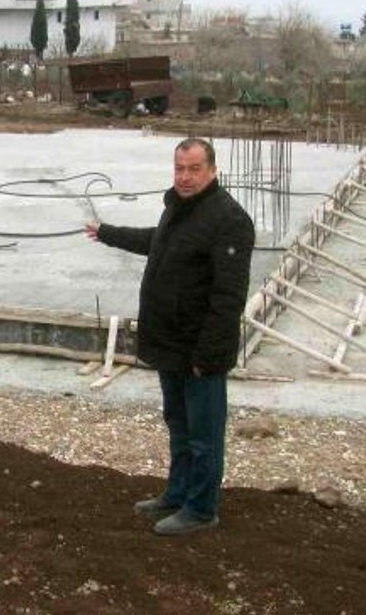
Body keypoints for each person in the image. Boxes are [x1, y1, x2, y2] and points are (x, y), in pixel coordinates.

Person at [86, 137, 254, 536]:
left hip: (199, 352)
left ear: (212, 170)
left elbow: (228, 298)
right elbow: (157, 242)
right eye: (179, 168)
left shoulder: (228, 220)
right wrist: (108, 233)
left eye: (194, 169)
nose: (185, 176)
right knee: (178, 425)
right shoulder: (177, 209)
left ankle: (200, 509)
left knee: (204, 436)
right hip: (171, 345)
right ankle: (177, 494)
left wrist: (208, 355)